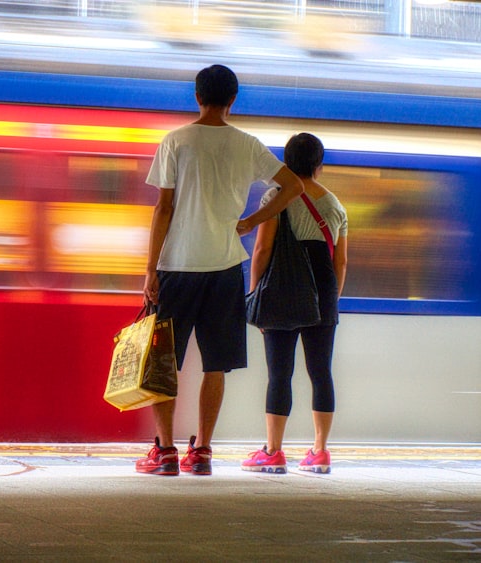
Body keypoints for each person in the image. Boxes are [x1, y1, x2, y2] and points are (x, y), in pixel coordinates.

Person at [136, 64, 305, 476]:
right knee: (216, 364)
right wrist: (251, 220)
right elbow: (294, 186)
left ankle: (165, 452)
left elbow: (164, 208)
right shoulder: (247, 144)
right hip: (226, 266)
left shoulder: (176, 141)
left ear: (197, 96)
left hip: (177, 265)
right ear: (233, 100)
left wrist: (150, 270)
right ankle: (204, 451)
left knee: (163, 363)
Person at [241, 132, 348, 474]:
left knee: (280, 374)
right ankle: (319, 451)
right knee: (320, 372)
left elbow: (262, 250)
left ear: (286, 163)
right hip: (323, 292)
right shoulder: (335, 206)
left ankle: (273, 452)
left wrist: (256, 292)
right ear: (319, 166)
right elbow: (340, 262)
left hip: (282, 291)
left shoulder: (277, 196)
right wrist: (331, 298)